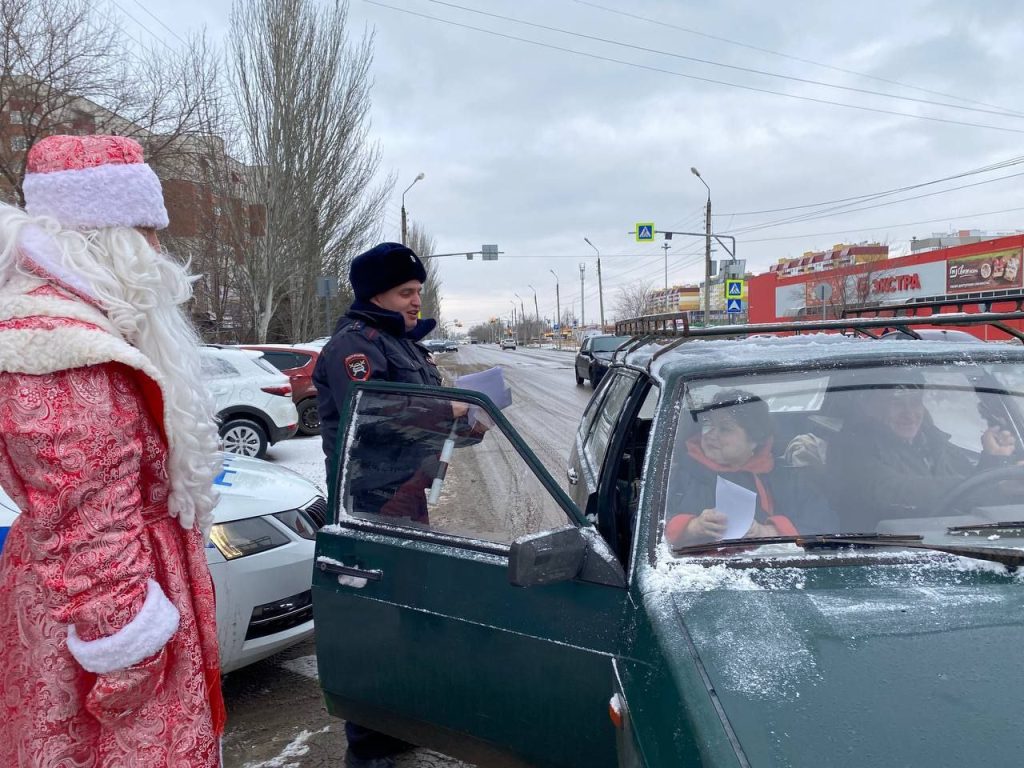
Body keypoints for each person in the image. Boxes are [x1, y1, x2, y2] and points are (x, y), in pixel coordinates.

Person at [0, 136, 225, 765]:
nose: (159, 251)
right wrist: (128, 655)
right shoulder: (61, 349)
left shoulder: (76, 330)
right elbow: (85, 524)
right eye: (149, 232)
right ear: (109, 235)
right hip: (98, 620)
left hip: (103, 592)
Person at [313, 241, 479, 768]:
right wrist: (444, 411)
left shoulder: (405, 345)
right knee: (374, 625)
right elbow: (377, 417)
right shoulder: (353, 347)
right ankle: (370, 749)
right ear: (375, 293)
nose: (416, 302)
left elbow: (423, 415)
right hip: (368, 504)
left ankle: (397, 722)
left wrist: (466, 420)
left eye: (418, 292)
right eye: (407, 292)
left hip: (407, 498)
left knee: (405, 613)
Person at [829, 375, 1018, 530]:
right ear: (869, 407)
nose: (910, 413)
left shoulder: (933, 442)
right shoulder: (852, 451)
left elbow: (969, 483)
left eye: (915, 402)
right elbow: (898, 493)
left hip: (952, 544)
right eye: (897, 403)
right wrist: (997, 487)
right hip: (890, 555)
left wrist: (992, 460)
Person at [666, 389, 835, 547]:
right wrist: (692, 527)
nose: (711, 434)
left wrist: (769, 532)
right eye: (708, 424)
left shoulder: (786, 478)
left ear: (754, 439)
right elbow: (650, 525)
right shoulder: (676, 473)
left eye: (724, 429)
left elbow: (824, 523)